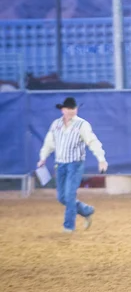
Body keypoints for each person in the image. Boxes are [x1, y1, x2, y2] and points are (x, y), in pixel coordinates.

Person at [37, 97, 108, 233]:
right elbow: (49, 143)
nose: (71, 111)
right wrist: (43, 157)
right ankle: (86, 210)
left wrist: (101, 158)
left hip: (75, 164)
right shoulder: (56, 124)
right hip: (60, 164)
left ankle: (68, 226)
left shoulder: (82, 125)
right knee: (62, 197)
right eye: (69, 108)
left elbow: (92, 141)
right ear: (63, 110)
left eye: (73, 108)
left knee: (69, 196)